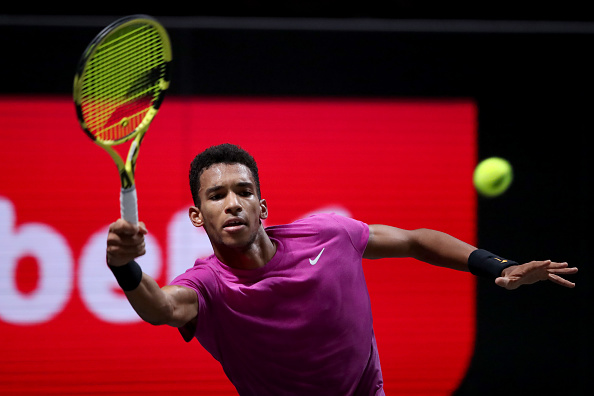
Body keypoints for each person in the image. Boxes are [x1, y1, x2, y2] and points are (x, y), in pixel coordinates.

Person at [105, 143, 577, 395]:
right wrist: (124, 266)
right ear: (197, 216)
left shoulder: (329, 236)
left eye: (244, 192)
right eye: (216, 195)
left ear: (262, 205)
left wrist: (496, 265)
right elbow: (162, 307)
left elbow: (414, 241)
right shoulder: (208, 286)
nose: (233, 204)